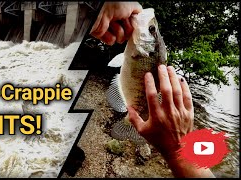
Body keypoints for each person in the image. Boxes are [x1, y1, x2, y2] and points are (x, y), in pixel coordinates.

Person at [90, 2, 215, 178]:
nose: (150, 27)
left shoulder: (139, 51)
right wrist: (175, 149)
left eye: (151, 30)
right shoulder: (140, 50)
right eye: (152, 29)